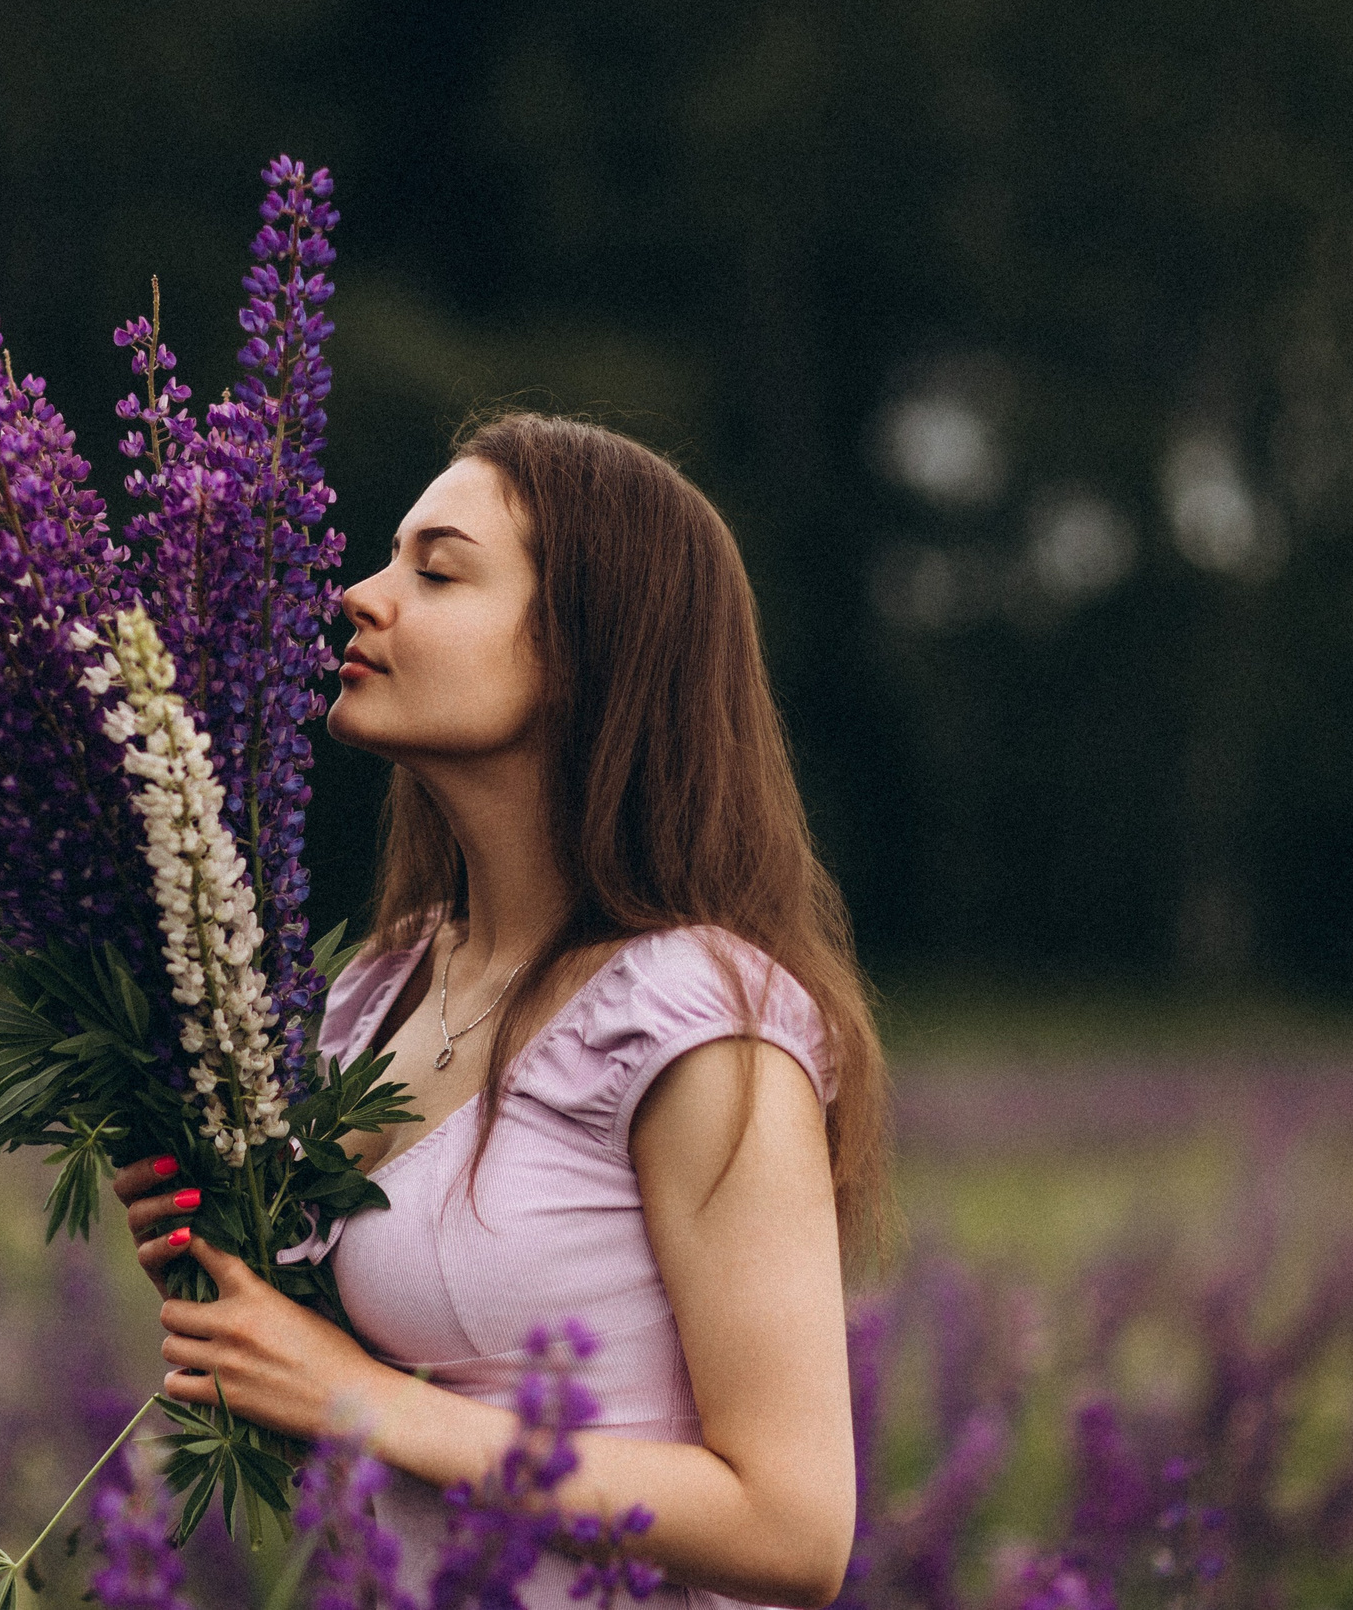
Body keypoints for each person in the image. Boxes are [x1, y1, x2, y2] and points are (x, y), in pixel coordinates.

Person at [109, 412, 893, 1609]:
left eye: (436, 570)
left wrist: (357, 1396)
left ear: (582, 650)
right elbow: (349, 1422)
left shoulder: (697, 1022)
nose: (362, 596)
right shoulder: (376, 990)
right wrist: (224, 1290)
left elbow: (791, 1531)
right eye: (387, 560)